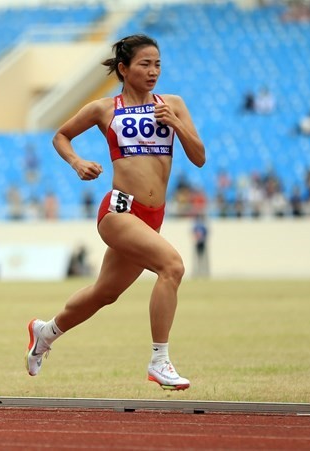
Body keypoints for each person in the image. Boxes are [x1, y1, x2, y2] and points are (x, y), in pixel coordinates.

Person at [25, 34, 205, 391]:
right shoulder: (104, 109)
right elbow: (60, 135)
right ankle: (159, 360)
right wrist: (77, 162)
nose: (153, 71)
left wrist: (177, 122)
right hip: (119, 211)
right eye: (145, 64)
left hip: (153, 215)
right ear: (123, 69)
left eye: (157, 64)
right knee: (172, 267)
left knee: (104, 293)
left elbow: (199, 157)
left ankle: (45, 332)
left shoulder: (173, 104)